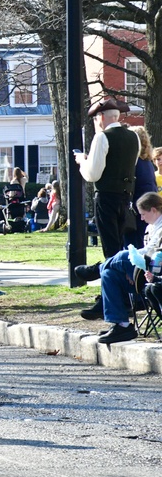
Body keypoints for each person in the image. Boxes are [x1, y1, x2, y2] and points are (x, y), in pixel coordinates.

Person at [74, 98, 140, 319]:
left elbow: (93, 174)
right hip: (126, 198)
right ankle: (118, 295)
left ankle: (108, 298)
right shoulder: (134, 137)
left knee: (111, 251)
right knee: (120, 249)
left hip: (106, 198)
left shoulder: (102, 137)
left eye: (96, 118)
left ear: (101, 117)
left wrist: (83, 160)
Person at [76, 193, 162, 344]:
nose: (141, 218)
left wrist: (130, 259)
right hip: (142, 271)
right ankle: (122, 325)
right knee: (109, 274)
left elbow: (151, 252)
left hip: (155, 274)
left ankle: (97, 270)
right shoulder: (151, 226)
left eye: (143, 214)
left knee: (123, 255)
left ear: (153, 210)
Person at [128, 126, 157, 248]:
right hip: (149, 205)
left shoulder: (134, 162)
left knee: (134, 243)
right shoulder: (148, 162)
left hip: (139, 207)